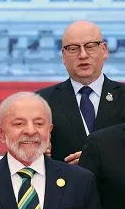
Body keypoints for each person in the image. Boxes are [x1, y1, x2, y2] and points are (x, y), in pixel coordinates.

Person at [37, 20, 125, 166]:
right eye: (73, 48)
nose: (83, 55)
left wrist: (96, 159)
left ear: (104, 50)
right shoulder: (42, 101)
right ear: (64, 55)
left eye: (90, 47)